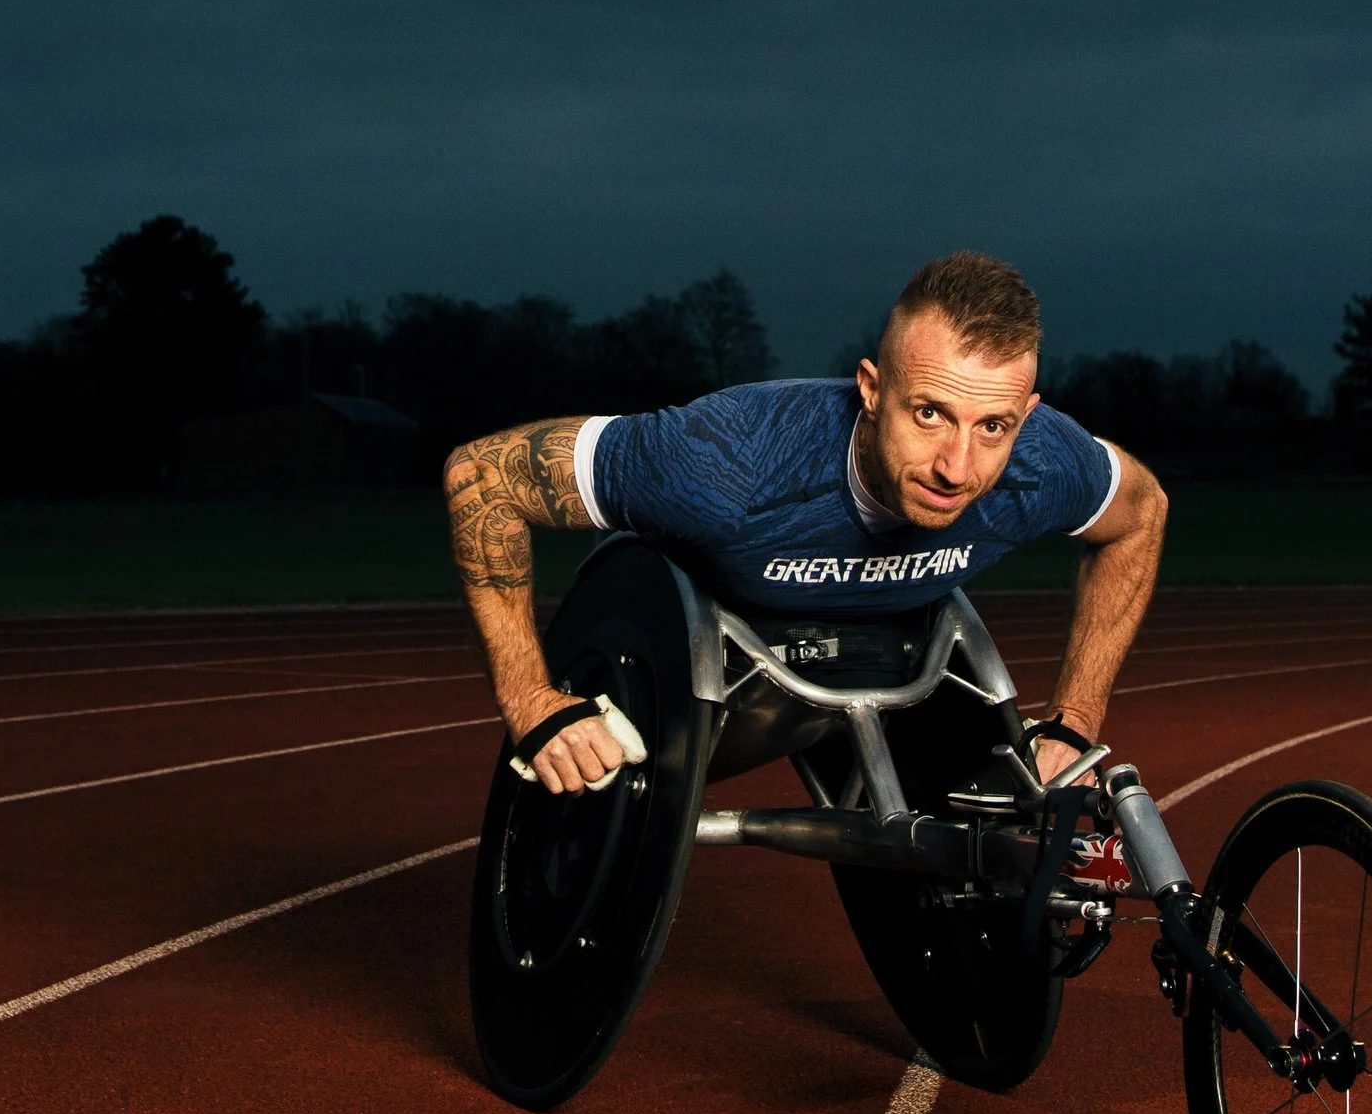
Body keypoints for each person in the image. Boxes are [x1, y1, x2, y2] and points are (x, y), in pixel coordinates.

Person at [441, 251, 1166, 792]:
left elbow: (1142, 515)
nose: (957, 465)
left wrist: (1074, 718)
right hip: (692, 664)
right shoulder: (725, 461)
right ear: (872, 389)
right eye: (929, 413)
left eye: (994, 426)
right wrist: (532, 700)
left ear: (1027, 417)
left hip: (879, 659)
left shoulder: (1042, 462)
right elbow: (483, 477)